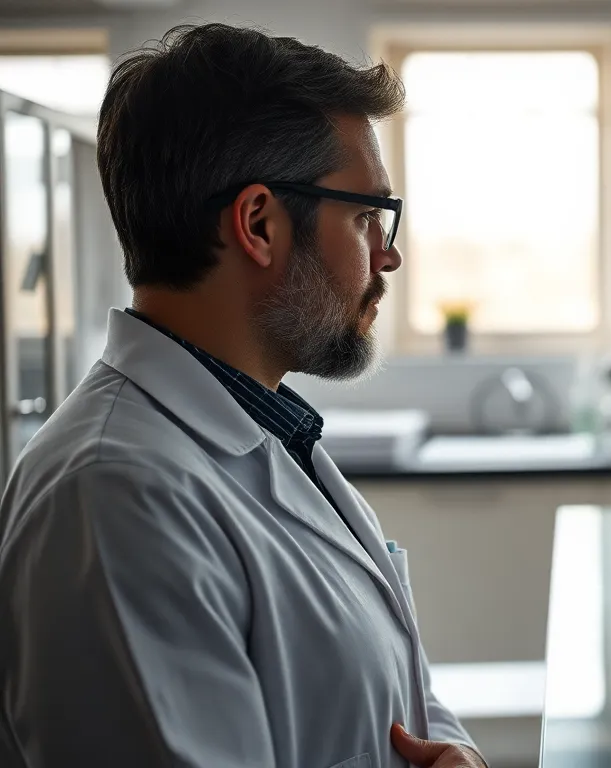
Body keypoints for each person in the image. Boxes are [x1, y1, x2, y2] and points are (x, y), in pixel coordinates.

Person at [0, 23, 486, 768]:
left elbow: (386, 693)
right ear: (260, 224)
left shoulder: (268, 433)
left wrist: (455, 753)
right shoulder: (114, 497)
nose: (386, 255)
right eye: (365, 218)